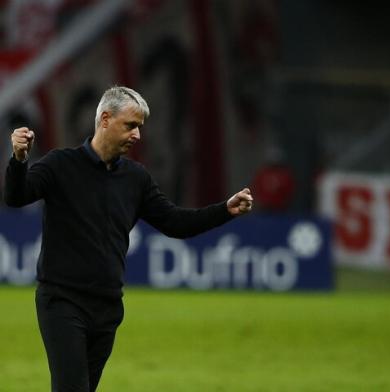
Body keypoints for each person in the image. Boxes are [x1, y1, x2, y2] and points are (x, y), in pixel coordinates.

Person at [3, 86, 253, 392]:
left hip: (108, 307)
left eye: (140, 128)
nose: (138, 136)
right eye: (131, 125)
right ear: (105, 119)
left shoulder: (136, 179)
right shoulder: (60, 164)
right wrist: (18, 159)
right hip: (63, 302)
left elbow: (176, 223)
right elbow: (16, 197)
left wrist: (224, 210)